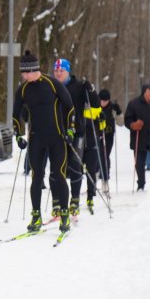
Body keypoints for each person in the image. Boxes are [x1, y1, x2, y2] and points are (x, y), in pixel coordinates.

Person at [12, 50, 75, 233]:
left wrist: (70, 130)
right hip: (36, 139)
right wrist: (18, 136)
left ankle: (64, 214)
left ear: (33, 70)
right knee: (36, 177)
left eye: (25, 72)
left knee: (58, 175)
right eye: (22, 73)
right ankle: (36, 215)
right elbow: (16, 116)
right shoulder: (23, 89)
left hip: (57, 138)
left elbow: (70, 107)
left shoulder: (52, 84)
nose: (23, 76)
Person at [52, 58, 99, 215]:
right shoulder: (51, 86)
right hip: (56, 132)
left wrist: (90, 89)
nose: (58, 73)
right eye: (56, 71)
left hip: (77, 132)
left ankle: (75, 199)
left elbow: (96, 104)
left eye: (61, 71)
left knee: (75, 165)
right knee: (56, 168)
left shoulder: (78, 87)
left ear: (68, 71)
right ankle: (57, 201)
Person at [98, 89, 121, 183]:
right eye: (101, 100)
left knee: (105, 153)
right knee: (99, 153)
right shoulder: (96, 105)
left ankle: (105, 174)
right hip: (98, 133)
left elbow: (120, 116)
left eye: (105, 101)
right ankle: (100, 172)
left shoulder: (112, 106)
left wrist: (118, 109)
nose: (103, 103)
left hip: (109, 134)